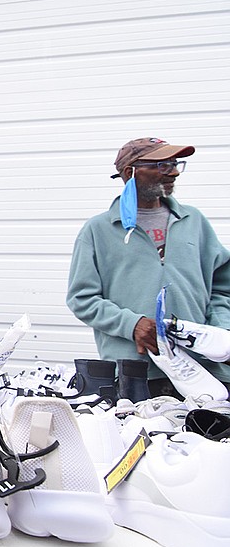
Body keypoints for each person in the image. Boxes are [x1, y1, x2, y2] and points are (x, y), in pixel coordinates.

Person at [66, 136, 230, 398]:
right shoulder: (98, 230)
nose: (174, 171)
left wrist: (220, 330)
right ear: (130, 172)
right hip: (138, 375)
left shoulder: (193, 221)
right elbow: (82, 299)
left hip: (204, 370)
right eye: (162, 165)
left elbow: (223, 287)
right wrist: (133, 325)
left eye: (175, 164)